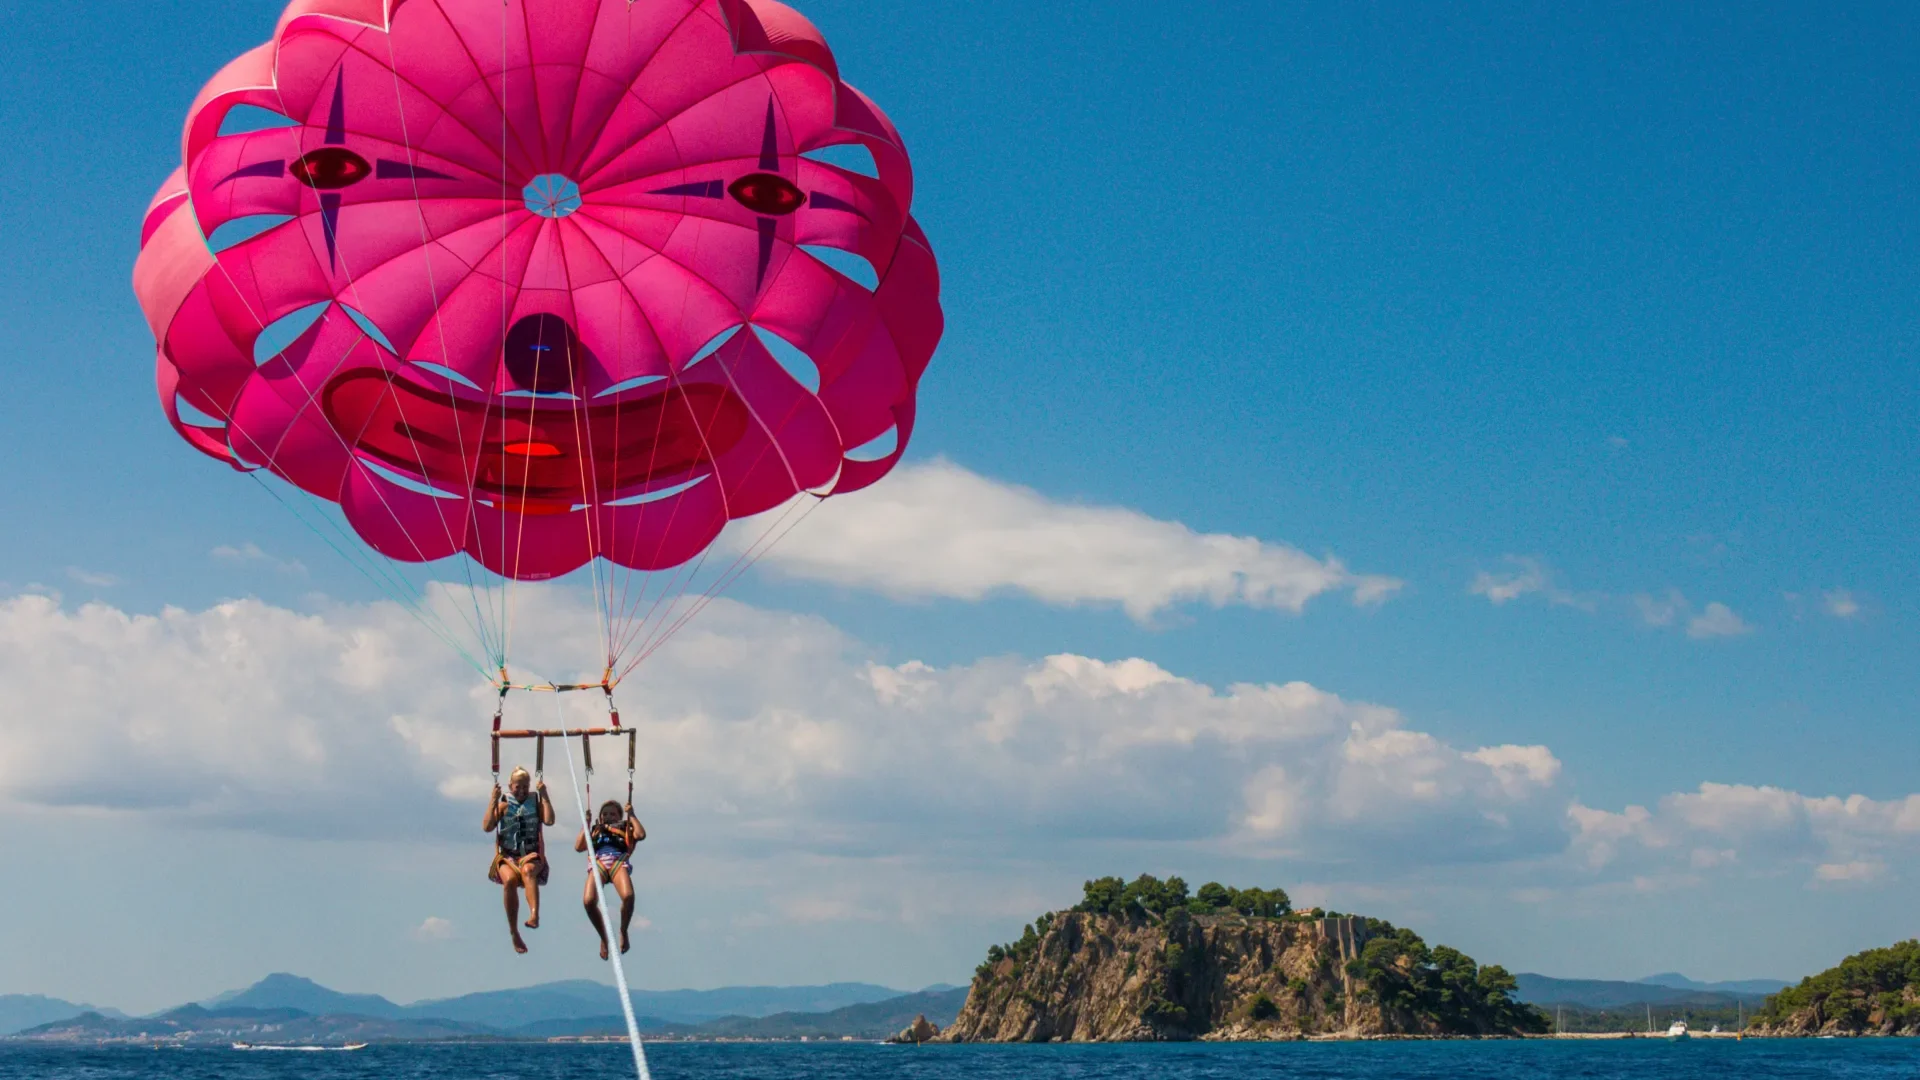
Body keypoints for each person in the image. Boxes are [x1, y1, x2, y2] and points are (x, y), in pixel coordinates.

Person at [483, 767, 554, 954]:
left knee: (528, 871)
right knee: (510, 881)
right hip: (507, 856)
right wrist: (493, 800)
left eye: (525, 786)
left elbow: (549, 820)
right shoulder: (504, 805)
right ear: (510, 786)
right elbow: (487, 827)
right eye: (517, 787)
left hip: (530, 854)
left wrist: (544, 795)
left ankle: (534, 915)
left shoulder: (535, 802)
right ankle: (514, 932)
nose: (521, 791)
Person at [576, 800, 646, 960]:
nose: (608, 817)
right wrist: (586, 823)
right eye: (605, 814)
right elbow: (579, 846)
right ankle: (604, 937)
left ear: (619, 817)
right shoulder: (594, 830)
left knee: (628, 896)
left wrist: (632, 815)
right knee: (588, 901)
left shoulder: (625, 827)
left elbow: (640, 835)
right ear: (600, 817)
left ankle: (623, 930)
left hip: (617, 862)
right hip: (598, 863)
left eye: (612, 814)